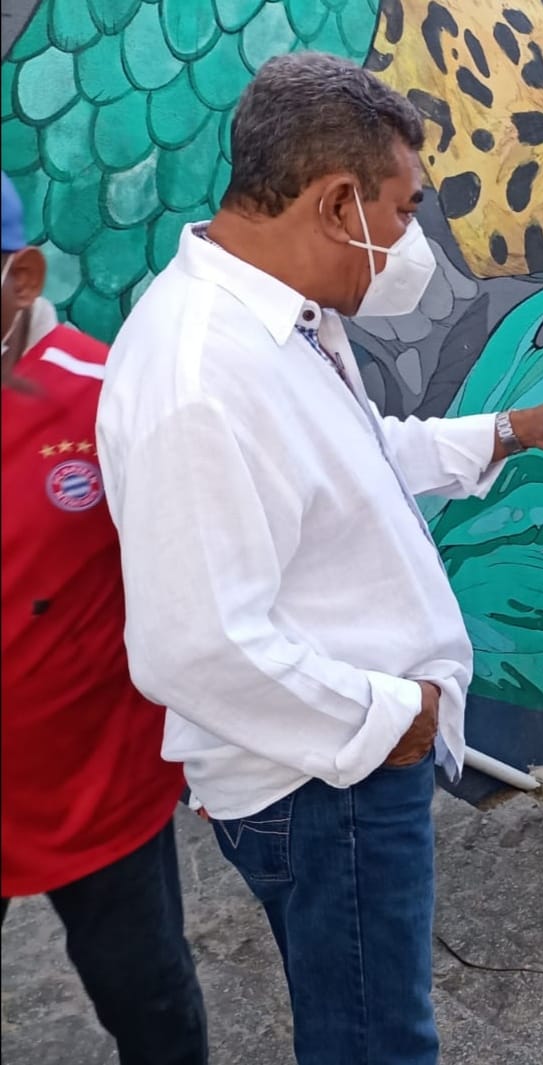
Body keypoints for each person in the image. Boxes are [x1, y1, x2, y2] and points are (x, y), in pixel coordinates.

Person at [94, 53, 543, 1065]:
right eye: (403, 212)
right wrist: (394, 718)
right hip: (328, 781)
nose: (411, 243)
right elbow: (190, 647)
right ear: (336, 201)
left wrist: (516, 430)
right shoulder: (200, 377)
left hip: (348, 762)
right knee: (377, 1044)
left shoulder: (284, 324)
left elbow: (358, 458)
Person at [1, 173, 208, 1065]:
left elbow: (190, 574)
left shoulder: (106, 396)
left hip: (97, 794)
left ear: (23, 279)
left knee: (149, 1002)